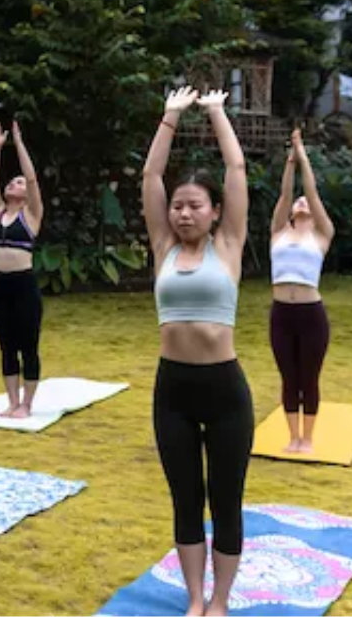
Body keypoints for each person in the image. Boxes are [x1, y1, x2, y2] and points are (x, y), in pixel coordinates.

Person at [142, 86, 253, 616]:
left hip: (225, 391)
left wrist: (214, 112)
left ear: (213, 213)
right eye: (178, 206)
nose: (183, 213)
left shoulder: (227, 246)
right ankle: (192, 599)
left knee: (224, 502)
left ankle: (221, 601)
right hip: (174, 392)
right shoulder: (163, 247)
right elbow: (149, 179)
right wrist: (169, 117)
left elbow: (235, 170)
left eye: (194, 206)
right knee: (185, 499)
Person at [269, 128, 334, 454]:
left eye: (304, 200)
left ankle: (307, 439)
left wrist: (303, 155)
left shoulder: (321, 235)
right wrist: (289, 163)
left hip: (311, 314)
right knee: (288, 377)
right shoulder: (279, 232)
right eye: (298, 200)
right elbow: (285, 194)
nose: (300, 200)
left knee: (309, 377)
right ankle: (291, 437)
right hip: (281, 313)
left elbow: (312, 192)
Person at [0, 119, 45, 418]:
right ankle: (12, 401)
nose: (14, 184)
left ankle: (27, 404)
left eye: (18, 182)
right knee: (6, 345)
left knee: (28, 346)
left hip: (24, 286)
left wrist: (18, 143)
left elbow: (32, 180)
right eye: (12, 181)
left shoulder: (31, 215)